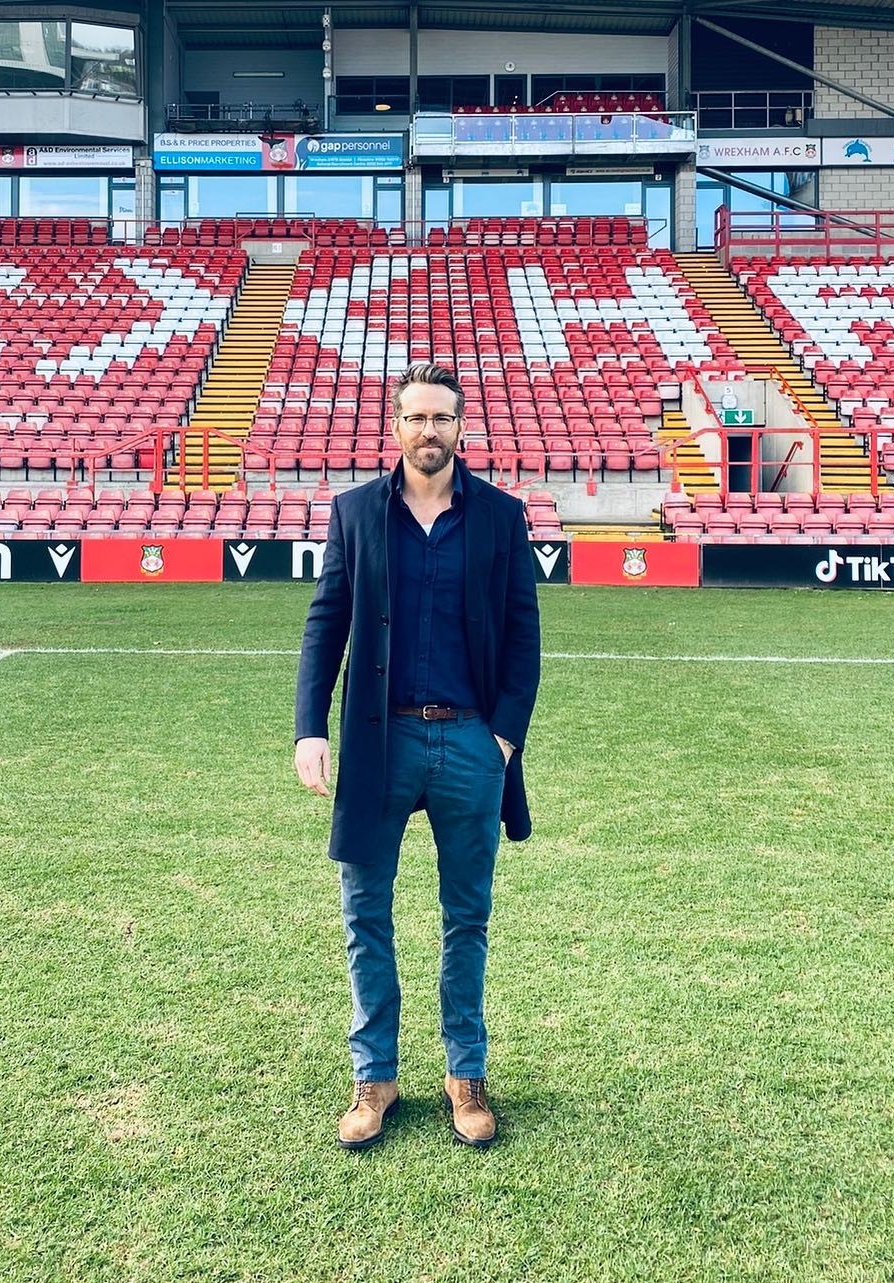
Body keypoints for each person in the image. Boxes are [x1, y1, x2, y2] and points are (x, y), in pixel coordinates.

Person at [293, 361, 542, 1151]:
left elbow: (523, 634)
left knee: (465, 916)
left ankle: (464, 1073)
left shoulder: (501, 517)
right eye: (414, 417)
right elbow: (325, 621)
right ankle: (375, 1076)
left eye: (441, 417)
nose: (427, 430)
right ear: (393, 427)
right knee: (365, 912)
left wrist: (500, 738)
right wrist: (310, 726)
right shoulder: (355, 512)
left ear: (460, 427)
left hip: (470, 741)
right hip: (379, 741)